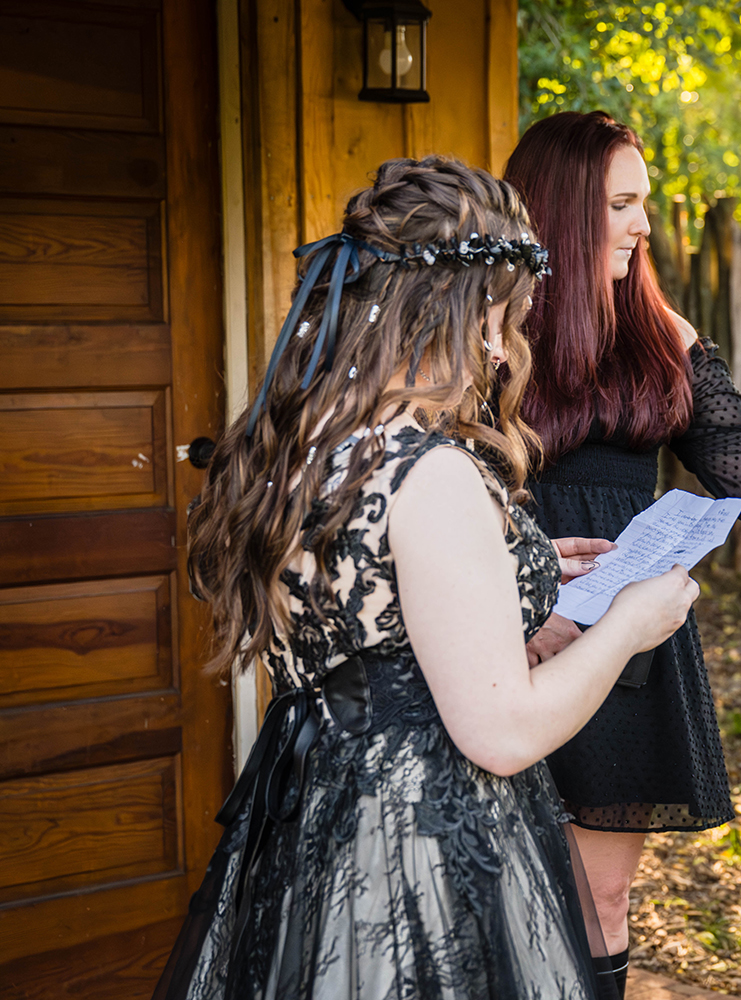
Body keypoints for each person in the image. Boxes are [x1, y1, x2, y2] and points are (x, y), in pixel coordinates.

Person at [154, 156, 699, 1000]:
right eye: (496, 320)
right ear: (448, 309)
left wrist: (508, 570)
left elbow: (371, 610)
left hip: (312, 820)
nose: (499, 347)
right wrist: (633, 621)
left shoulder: (305, 446)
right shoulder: (429, 468)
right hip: (422, 841)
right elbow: (502, 732)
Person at [500, 110, 741, 992]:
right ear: (563, 208)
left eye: (644, 203)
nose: (644, 226)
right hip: (494, 629)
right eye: (623, 204)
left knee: (601, 899)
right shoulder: (483, 338)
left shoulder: (667, 336)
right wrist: (517, 586)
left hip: (621, 643)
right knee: (494, 889)